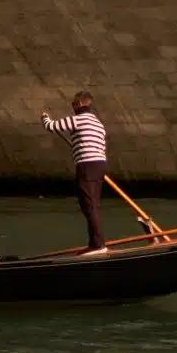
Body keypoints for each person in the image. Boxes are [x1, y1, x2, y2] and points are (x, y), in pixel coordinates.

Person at [41, 90, 108, 254]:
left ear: (79, 104)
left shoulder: (78, 120)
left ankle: (99, 245)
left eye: (73, 105)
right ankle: (94, 243)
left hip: (87, 166)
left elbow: (52, 126)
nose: (72, 108)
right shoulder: (98, 123)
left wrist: (44, 117)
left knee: (89, 205)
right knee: (93, 204)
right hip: (99, 165)